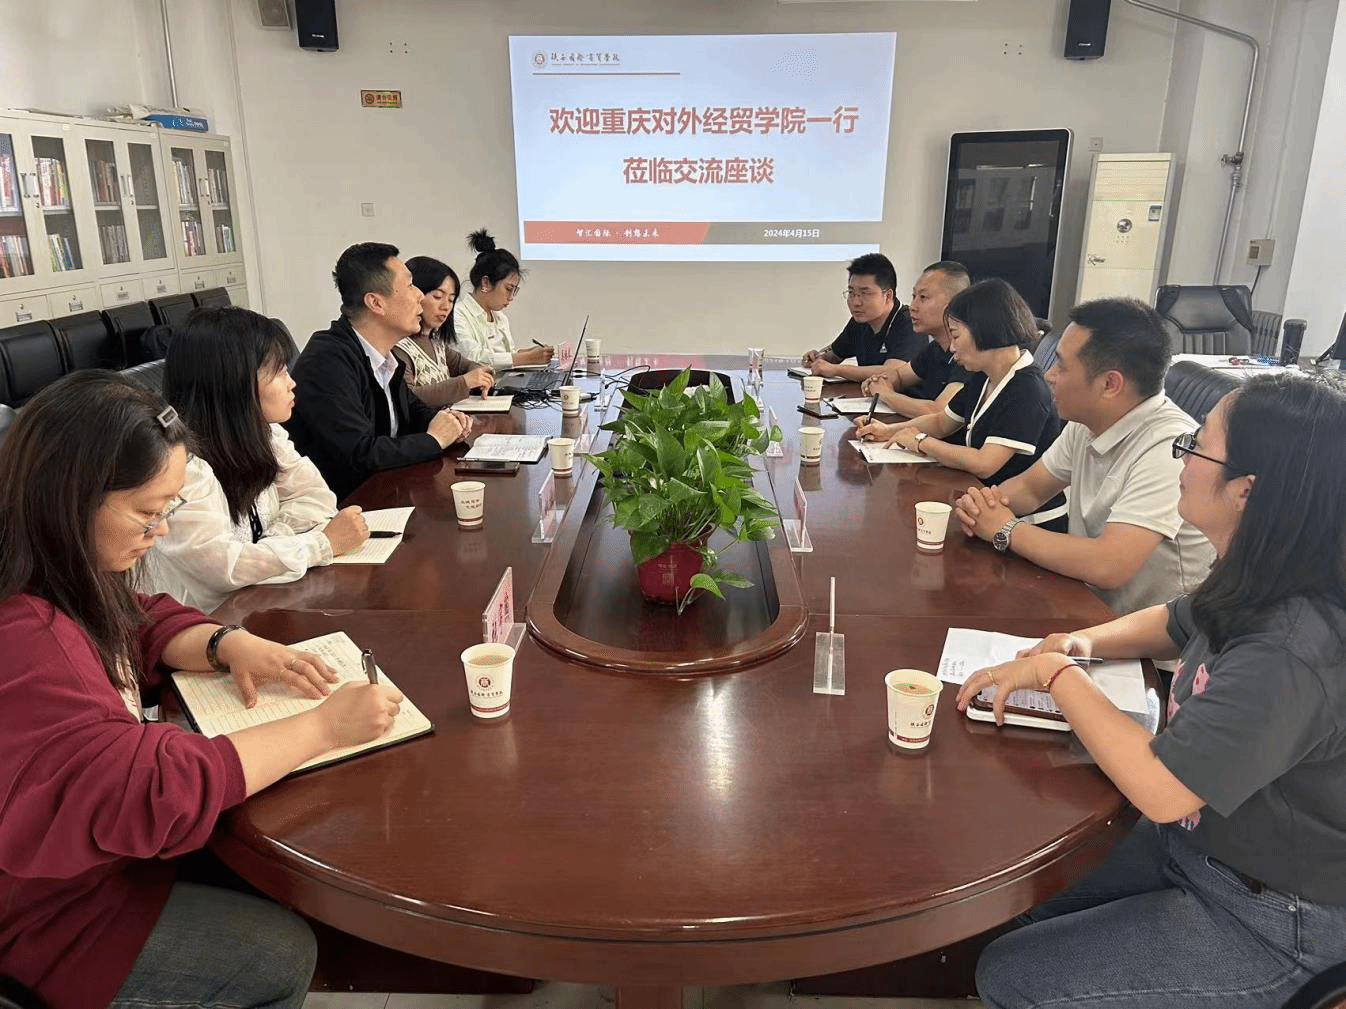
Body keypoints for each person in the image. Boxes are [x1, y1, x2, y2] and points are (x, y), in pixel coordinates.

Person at [0, 371, 404, 1009]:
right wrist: (325, 727)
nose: (160, 531)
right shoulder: (25, 636)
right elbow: (151, 788)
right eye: (147, 511)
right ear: (69, 497)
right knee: (280, 954)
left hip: (94, 867)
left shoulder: (62, 571)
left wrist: (224, 644)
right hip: (50, 915)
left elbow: (140, 618)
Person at [962, 371, 1346, 1009]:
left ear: (1246, 490)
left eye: (1198, 448)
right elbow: (1175, 621)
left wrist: (1056, 676)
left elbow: (1163, 789)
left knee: (1012, 974)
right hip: (1197, 845)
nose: (1183, 460)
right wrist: (1080, 643)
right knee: (1011, 890)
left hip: (1273, 914)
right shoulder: (1261, 567)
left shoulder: (1291, 648)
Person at [954, 298, 1214, 614]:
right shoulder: (1088, 421)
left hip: (1151, 636)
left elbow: (1109, 564)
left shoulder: (1170, 447)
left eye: (1062, 366)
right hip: (1087, 606)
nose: (1049, 375)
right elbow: (1030, 489)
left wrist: (1005, 529)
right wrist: (980, 508)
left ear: (1110, 384)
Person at [141, 306, 371, 612]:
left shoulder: (265, 435)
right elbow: (222, 568)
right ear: (233, 382)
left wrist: (274, 541)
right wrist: (321, 545)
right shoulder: (183, 469)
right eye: (279, 372)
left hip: (261, 604)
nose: (291, 382)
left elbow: (315, 496)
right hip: (207, 624)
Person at [857, 278, 1067, 529]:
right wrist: (889, 431)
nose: (952, 347)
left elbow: (985, 463)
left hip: (1026, 523)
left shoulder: (1026, 388)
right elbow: (941, 422)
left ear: (985, 331)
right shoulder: (983, 375)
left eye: (956, 335)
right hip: (984, 507)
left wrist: (921, 441)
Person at [286, 242, 474, 500]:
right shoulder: (327, 361)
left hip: (386, 494)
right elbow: (360, 454)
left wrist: (448, 422)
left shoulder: (383, 357)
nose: (419, 295)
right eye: (410, 285)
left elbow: (413, 412)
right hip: (343, 507)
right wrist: (434, 439)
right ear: (376, 303)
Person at [858, 260, 972, 418]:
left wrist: (885, 394)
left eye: (923, 297)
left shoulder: (970, 354)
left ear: (954, 304)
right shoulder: (936, 348)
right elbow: (899, 377)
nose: (913, 306)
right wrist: (878, 381)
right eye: (914, 296)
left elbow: (941, 412)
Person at [799, 252, 926, 383]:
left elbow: (892, 372)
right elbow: (833, 355)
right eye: (851, 293)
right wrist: (817, 358)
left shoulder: (909, 322)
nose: (855, 302)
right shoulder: (859, 322)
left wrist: (837, 370)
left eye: (864, 293)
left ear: (888, 296)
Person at [394, 256, 495, 408]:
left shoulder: (435, 342)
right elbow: (408, 397)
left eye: (451, 300)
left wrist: (480, 376)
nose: (446, 307)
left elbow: (467, 365)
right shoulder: (398, 346)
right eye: (438, 297)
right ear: (415, 295)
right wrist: (465, 382)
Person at [453, 229, 554, 370]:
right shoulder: (458, 315)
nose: (511, 297)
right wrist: (525, 358)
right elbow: (471, 358)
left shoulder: (499, 317)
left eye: (514, 290)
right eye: (508, 289)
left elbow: (506, 356)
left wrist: (529, 354)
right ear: (486, 283)